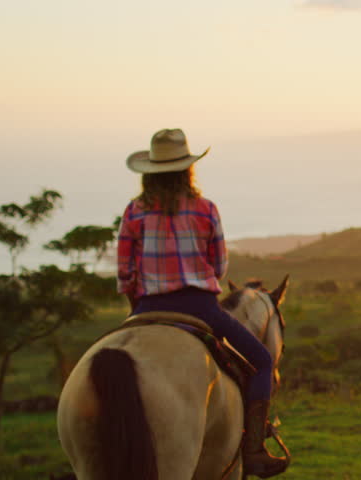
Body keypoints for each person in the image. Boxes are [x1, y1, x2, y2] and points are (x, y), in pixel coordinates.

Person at [117, 128, 288, 477]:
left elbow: (124, 275)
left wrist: (140, 302)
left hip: (146, 309)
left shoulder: (134, 211)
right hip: (200, 307)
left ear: (149, 173)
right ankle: (254, 449)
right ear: (187, 170)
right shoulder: (205, 209)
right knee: (261, 359)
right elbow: (220, 268)